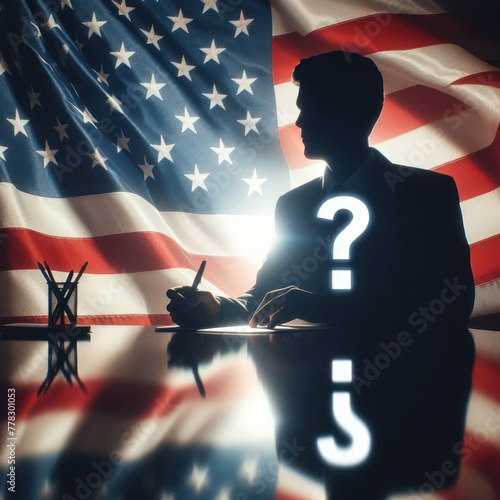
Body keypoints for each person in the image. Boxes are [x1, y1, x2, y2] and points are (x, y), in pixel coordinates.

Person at [167, 51, 475, 498]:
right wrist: (217, 306)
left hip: (406, 398)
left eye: (308, 107)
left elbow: (451, 301)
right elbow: (267, 294)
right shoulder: (293, 205)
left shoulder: (426, 195)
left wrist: (322, 304)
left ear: (350, 112)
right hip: (312, 384)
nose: (298, 120)